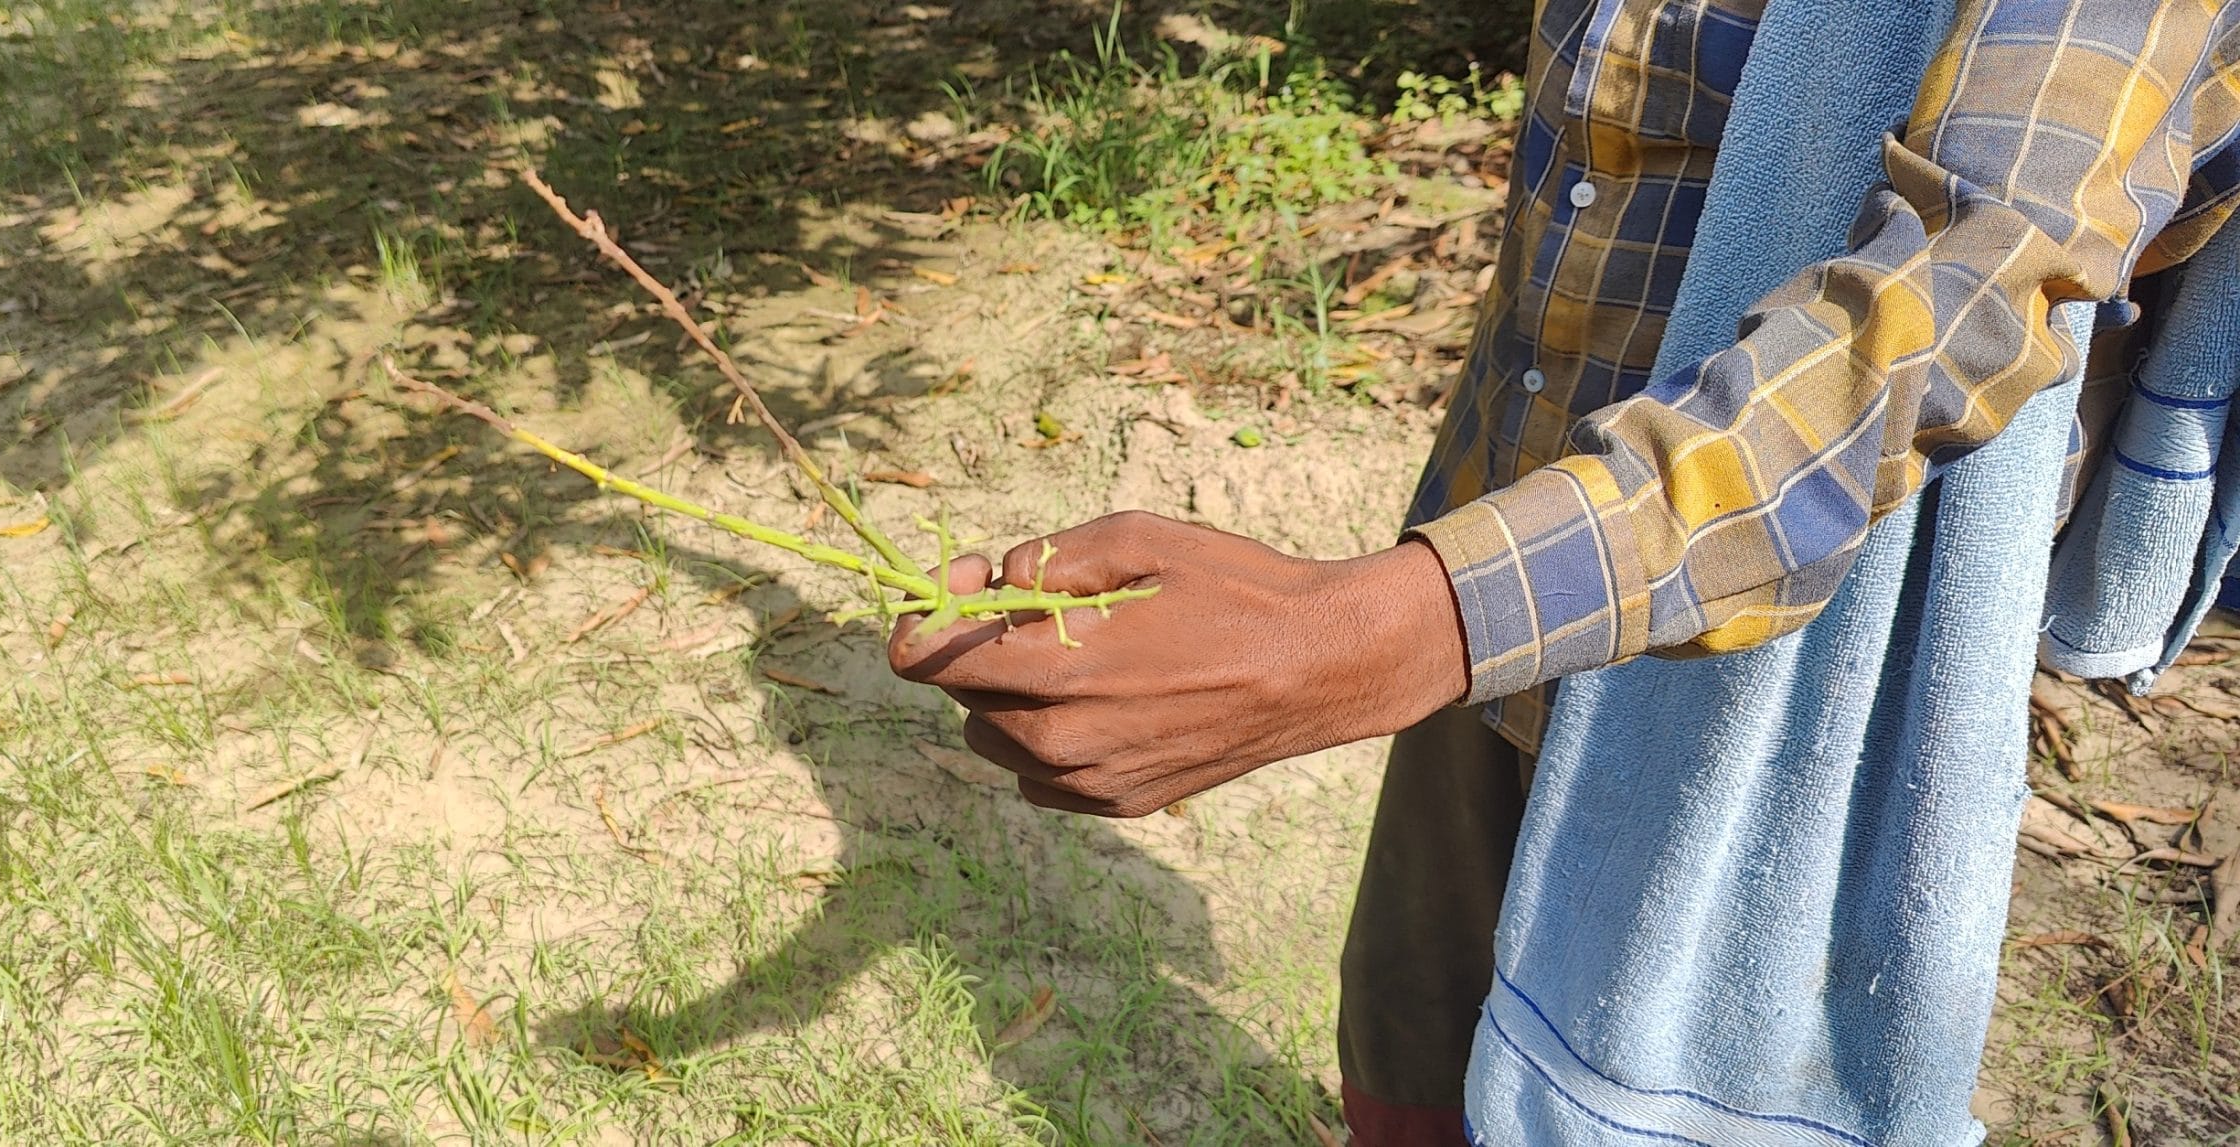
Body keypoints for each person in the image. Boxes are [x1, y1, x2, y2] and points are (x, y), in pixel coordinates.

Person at [886, 1, 2240, 1144]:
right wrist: (1424, 611)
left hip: (1762, 672)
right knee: (1410, 1049)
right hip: (1494, 546)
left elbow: (1969, 283)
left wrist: (1390, 629)